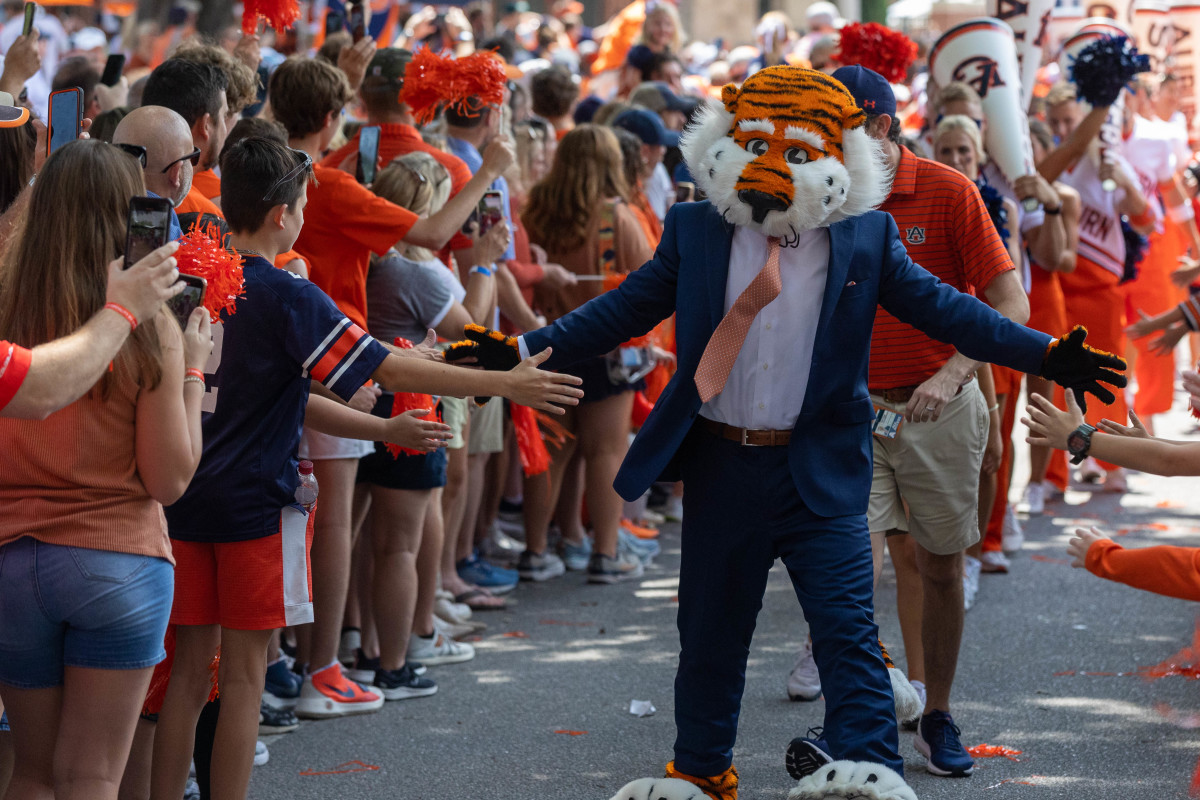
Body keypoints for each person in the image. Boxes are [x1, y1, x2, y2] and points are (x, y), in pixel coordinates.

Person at [470, 65, 1122, 798]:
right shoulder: (695, 227)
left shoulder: (866, 237)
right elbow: (622, 310)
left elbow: (950, 310)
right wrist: (517, 349)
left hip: (821, 466)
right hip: (722, 463)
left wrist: (1047, 353)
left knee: (846, 632)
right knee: (710, 636)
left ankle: (870, 768)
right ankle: (702, 771)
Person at [148, 136, 582, 800]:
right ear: (281, 215)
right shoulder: (283, 292)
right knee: (240, 680)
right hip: (250, 508)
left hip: (182, 497)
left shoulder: (187, 273)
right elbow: (384, 364)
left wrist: (385, 426)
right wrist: (501, 380)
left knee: (186, 675)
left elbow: (299, 395)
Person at [266, 54, 522, 718]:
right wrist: (492, 168)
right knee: (331, 521)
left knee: (312, 517)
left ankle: (294, 658)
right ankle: (318, 666)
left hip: (289, 353)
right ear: (329, 118)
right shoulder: (327, 179)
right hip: (338, 361)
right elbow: (436, 234)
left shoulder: (292, 168)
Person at [0, 138, 210, 800]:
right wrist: (195, 373)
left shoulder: (6, 309)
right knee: (90, 777)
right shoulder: (148, 325)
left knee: (30, 772)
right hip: (115, 561)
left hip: (11, 560)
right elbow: (170, 480)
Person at [355, 153, 510, 693]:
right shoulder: (416, 269)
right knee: (399, 543)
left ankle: (366, 643)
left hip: (358, 403)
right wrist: (485, 264)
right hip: (410, 408)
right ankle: (396, 662)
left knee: (361, 537)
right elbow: (475, 339)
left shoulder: (369, 260)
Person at [519, 124, 653, 584]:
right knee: (605, 452)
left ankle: (536, 550)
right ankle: (606, 553)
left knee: (550, 453)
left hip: (546, 343)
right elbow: (651, 281)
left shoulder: (535, 211)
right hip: (606, 350)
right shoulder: (616, 215)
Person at [1045, 81, 1154, 492]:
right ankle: (1055, 473)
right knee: (1057, 384)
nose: (1063, 128)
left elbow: (1146, 221)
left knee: (1106, 380)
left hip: (1100, 289)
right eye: (1055, 122)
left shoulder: (1110, 161)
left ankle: (1109, 463)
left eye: (1070, 120)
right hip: (1056, 287)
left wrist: (1124, 185)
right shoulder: (1051, 160)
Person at [139, 58, 228, 222]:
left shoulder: (106, 193)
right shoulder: (207, 218)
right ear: (206, 125)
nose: (226, 128)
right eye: (224, 116)